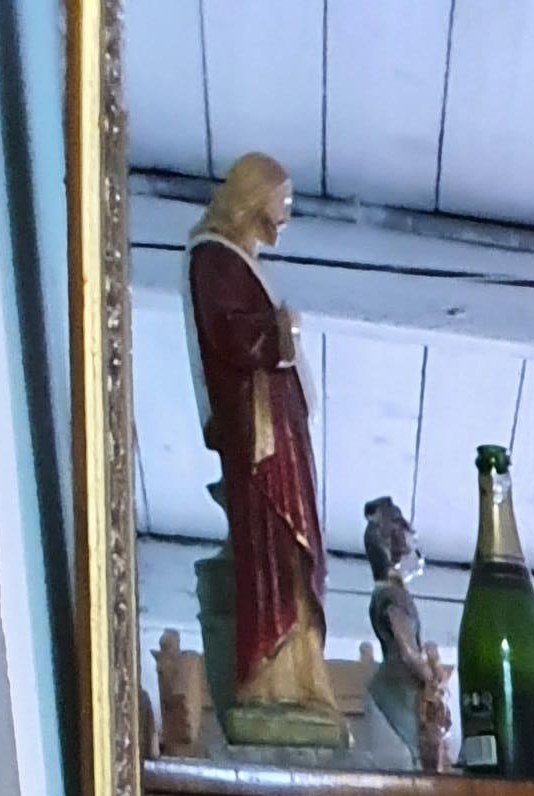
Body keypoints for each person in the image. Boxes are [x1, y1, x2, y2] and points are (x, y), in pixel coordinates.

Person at [187, 155, 340, 732]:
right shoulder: (215, 258)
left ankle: (302, 680)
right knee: (273, 551)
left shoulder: (239, 262)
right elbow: (228, 336)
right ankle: (270, 681)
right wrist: (280, 331)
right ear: (256, 197)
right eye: (284, 200)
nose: (287, 214)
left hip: (281, 434)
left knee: (296, 555)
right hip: (261, 438)